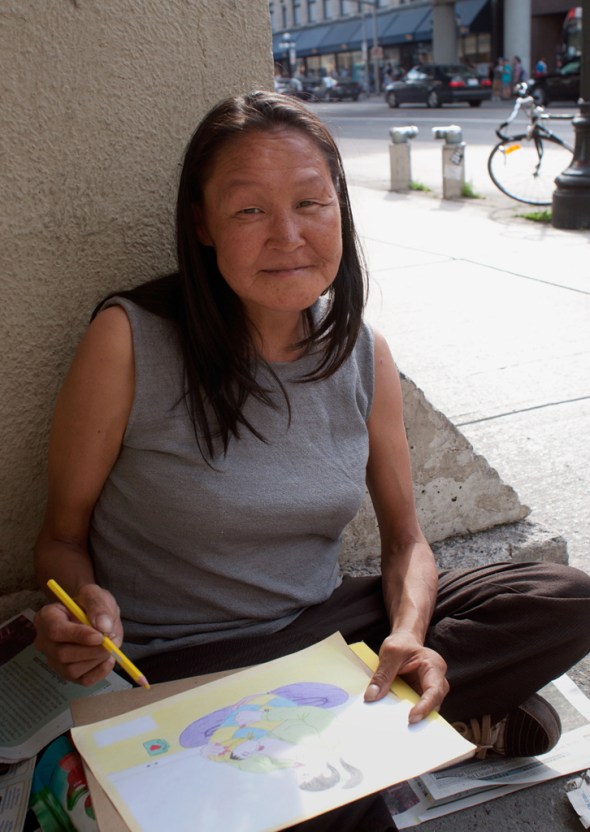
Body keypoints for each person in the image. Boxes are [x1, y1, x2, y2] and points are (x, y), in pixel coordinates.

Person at [33, 91, 590, 831]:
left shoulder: (363, 353)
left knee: (562, 596)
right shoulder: (130, 341)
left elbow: (406, 541)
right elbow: (61, 538)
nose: (288, 235)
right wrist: (80, 611)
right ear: (202, 224)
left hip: (322, 642)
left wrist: (407, 636)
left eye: (310, 203)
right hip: (181, 669)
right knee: (329, 812)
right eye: (249, 210)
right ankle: (432, 728)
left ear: (340, 210)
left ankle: (387, 713)